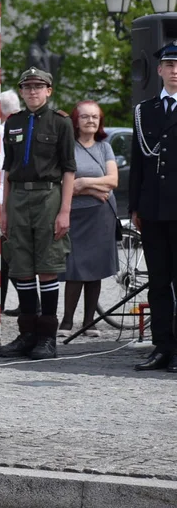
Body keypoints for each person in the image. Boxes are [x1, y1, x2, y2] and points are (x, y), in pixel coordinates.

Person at [0, 67, 76, 361]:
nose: (32, 91)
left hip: (48, 196)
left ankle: (47, 337)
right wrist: (4, 210)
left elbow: (69, 169)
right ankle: (27, 333)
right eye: (27, 86)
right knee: (21, 265)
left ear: (49, 91)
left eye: (38, 86)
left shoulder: (60, 123)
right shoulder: (13, 122)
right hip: (18, 196)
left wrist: (64, 210)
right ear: (21, 91)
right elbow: (7, 170)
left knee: (48, 265)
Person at [129, 40, 177, 372]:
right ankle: (162, 346)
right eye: (170, 65)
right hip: (153, 209)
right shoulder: (145, 110)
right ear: (159, 70)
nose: (175, 71)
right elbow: (138, 163)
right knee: (158, 281)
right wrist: (134, 207)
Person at [60, 100, 118, 339]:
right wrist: (92, 189)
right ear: (76, 120)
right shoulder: (67, 147)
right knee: (74, 268)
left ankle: (89, 322)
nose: (91, 121)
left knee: (95, 270)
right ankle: (66, 321)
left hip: (101, 216)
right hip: (74, 214)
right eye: (85, 117)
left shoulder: (105, 148)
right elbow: (63, 184)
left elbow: (113, 181)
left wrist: (84, 183)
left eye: (95, 117)